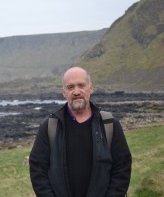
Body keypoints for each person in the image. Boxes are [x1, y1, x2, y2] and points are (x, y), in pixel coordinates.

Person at [29, 67, 132, 197]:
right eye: (70, 87)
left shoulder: (109, 124)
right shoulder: (49, 126)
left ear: (91, 88)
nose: (76, 91)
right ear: (64, 92)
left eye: (81, 85)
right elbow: (38, 170)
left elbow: (122, 168)